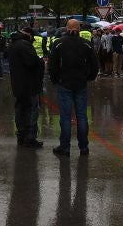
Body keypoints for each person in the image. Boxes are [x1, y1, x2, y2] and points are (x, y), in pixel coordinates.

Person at [49, 18, 98, 156]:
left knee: (65, 117)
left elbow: (53, 65)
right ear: (79, 29)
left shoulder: (58, 44)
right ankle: (84, 147)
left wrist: (55, 79)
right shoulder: (86, 44)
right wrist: (89, 77)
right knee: (82, 116)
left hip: (65, 83)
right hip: (80, 83)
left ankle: (65, 147)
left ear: (66, 28)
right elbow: (94, 64)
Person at [8, 26, 45, 149]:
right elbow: (32, 62)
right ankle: (30, 138)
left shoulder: (14, 43)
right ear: (28, 34)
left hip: (18, 83)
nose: (33, 39)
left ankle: (21, 136)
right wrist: (41, 61)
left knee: (20, 110)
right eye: (32, 36)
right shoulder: (24, 45)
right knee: (31, 110)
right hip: (29, 84)